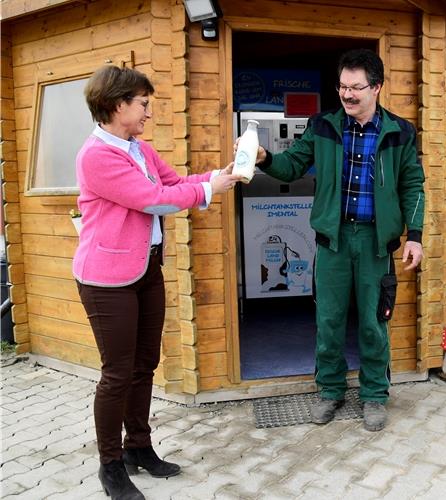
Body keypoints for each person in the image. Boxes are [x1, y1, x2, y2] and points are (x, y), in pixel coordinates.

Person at [74, 65, 241, 500]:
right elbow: (152, 199)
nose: (149, 112)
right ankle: (110, 467)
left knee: (145, 364)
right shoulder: (96, 155)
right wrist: (210, 193)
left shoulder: (138, 149)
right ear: (117, 105)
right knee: (117, 373)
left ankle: (139, 448)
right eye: (143, 104)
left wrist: (214, 177)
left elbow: (172, 182)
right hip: (106, 278)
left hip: (145, 268)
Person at [244, 48, 425, 432]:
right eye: (342, 86)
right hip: (333, 241)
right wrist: (263, 158)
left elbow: (413, 185)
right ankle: (330, 390)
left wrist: (416, 236)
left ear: (376, 87)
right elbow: (292, 164)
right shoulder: (323, 126)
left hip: (377, 243)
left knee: (374, 324)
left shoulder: (400, 132)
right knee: (328, 321)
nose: (347, 94)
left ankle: (375, 395)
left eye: (356, 87)